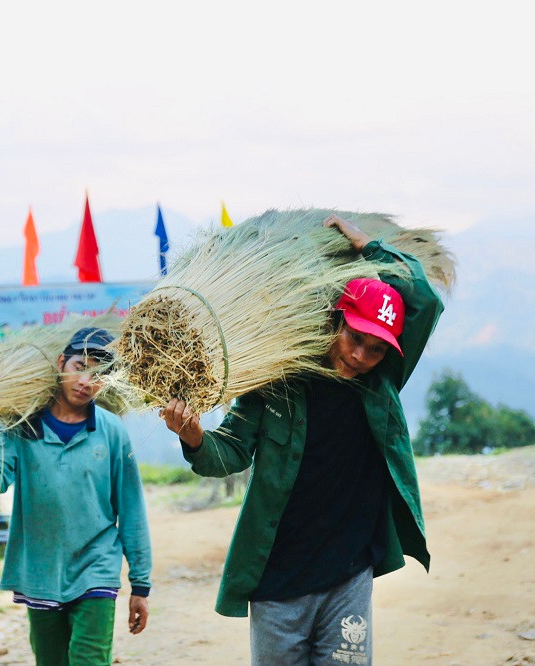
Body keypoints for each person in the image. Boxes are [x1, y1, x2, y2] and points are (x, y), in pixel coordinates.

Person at [162, 215, 443, 665]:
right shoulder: (277, 383)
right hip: (277, 580)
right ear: (335, 320)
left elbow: (424, 299)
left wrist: (371, 247)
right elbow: (229, 453)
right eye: (355, 338)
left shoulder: (381, 384)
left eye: (376, 349)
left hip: (348, 575)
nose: (361, 356)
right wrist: (194, 437)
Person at [0, 326, 151, 666]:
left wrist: (140, 586)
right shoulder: (21, 424)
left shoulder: (112, 432)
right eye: (79, 367)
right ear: (60, 363)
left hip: (96, 568)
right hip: (40, 572)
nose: (85, 381)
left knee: (89, 660)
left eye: (98, 374)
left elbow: (132, 511)